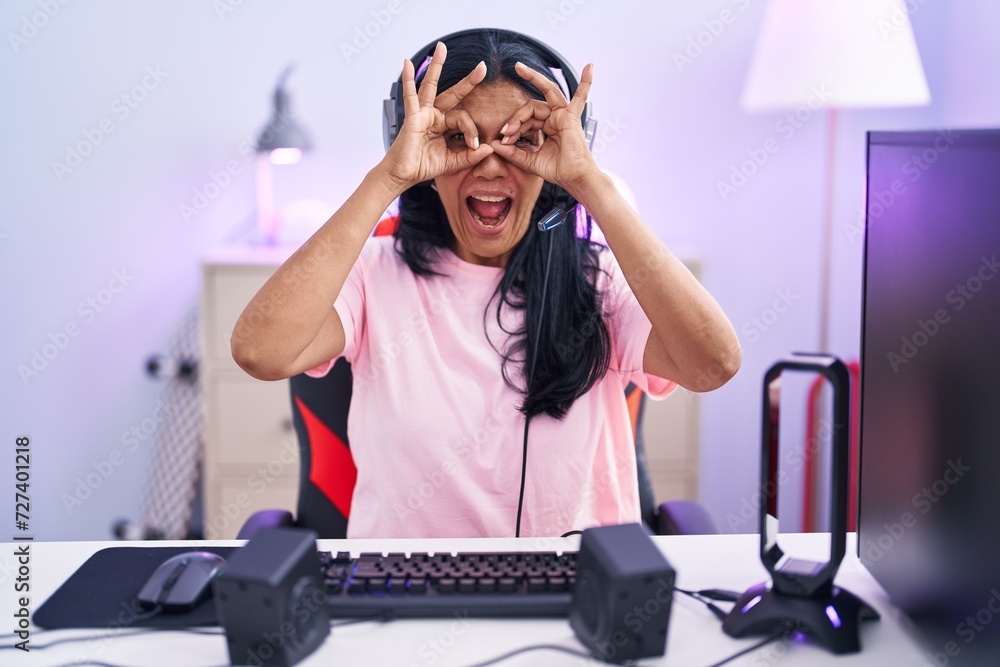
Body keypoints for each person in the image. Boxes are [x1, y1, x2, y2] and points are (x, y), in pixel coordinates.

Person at [231, 29, 741, 539]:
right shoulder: (371, 273)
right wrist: (387, 178)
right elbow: (260, 352)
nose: (491, 164)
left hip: (579, 594)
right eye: (459, 138)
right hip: (404, 596)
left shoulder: (599, 278)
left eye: (523, 140)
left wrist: (588, 183)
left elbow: (713, 364)